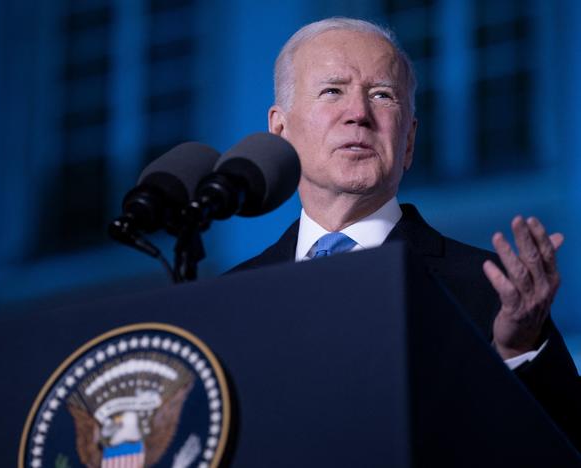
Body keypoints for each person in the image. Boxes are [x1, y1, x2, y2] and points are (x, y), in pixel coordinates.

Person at [230, 17, 580, 450]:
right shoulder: (236, 296)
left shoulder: (488, 291)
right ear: (280, 131)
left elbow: (566, 445)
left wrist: (516, 351)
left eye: (382, 95)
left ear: (409, 141)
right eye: (332, 91)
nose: (358, 114)